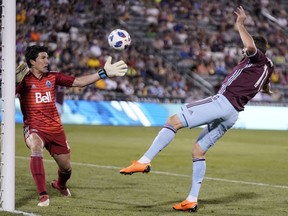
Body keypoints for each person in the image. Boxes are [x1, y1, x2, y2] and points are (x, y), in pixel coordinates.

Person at [119, 6, 274, 212]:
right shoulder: (269, 66)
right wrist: (267, 89)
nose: (243, 52)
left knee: (173, 120)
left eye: (245, 50)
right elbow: (265, 84)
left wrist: (240, 24)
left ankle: (144, 161)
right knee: (198, 151)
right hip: (233, 114)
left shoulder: (257, 57)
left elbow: (251, 47)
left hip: (223, 102)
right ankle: (191, 199)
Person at [16, 45, 127, 207]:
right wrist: (12, 82)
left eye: (47, 57)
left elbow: (79, 81)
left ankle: (60, 184)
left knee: (66, 168)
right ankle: (43, 195)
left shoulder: (53, 77)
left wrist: (103, 73)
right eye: (43, 58)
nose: (47, 61)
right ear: (32, 61)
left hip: (55, 129)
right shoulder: (23, 81)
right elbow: (7, 93)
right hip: (34, 127)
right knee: (36, 146)